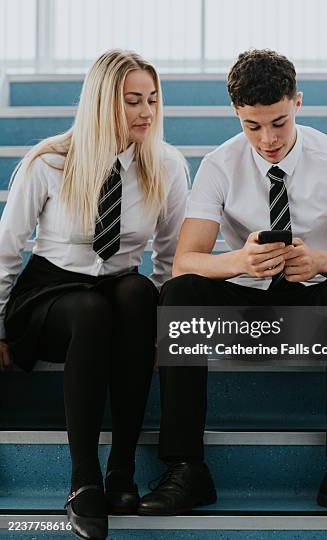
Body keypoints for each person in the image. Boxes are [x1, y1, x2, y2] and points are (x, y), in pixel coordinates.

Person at [138, 49, 327, 517]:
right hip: (245, 302)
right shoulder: (220, 164)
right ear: (236, 114)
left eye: (278, 122)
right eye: (252, 126)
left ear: (297, 102)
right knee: (179, 293)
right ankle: (185, 467)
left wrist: (319, 260)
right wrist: (240, 260)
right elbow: (185, 262)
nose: (267, 139)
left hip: (308, 302)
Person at [0, 49, 188, 539]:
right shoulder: (48, 162)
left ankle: (121, 473)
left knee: (138, 294)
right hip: (50, 294)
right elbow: (7, 251)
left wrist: (163, 337)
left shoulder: (166, 166)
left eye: (151, 99)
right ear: (103, 102)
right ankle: (84, 481)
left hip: (118, 295)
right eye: (132, 101)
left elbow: (170, 261)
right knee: (91, 308)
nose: (146, 112)